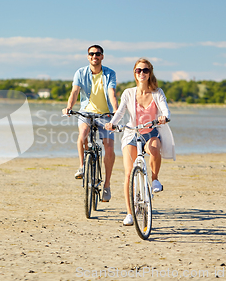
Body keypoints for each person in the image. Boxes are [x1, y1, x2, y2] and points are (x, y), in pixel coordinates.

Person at [105, 58, 175, 226]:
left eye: (145, 70)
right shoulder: (129, 93)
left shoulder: (157, 92)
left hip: (150, 130)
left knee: (155, 148)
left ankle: (155, 179)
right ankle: (129, 213)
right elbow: (121, 111)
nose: (142, 73)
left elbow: (165, 108)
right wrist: (112, 123)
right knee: (129, 174)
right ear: (134, 73)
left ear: (150, 73)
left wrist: (164, 117)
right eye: (138, 70)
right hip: (131, 133)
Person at [62, 45, 118, 202]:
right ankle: (82, 166)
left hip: (105, 114)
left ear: (102, 56)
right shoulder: (80, 72)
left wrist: (116, 112)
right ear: (88, 57)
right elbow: (75, 91)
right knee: (83, 134)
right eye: (92, 54)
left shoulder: (109, 73)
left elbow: (111, 92)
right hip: (86, 111)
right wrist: (69, 107)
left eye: (98, 54)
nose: (95, 56)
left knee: (109, 146)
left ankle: (106, 185)